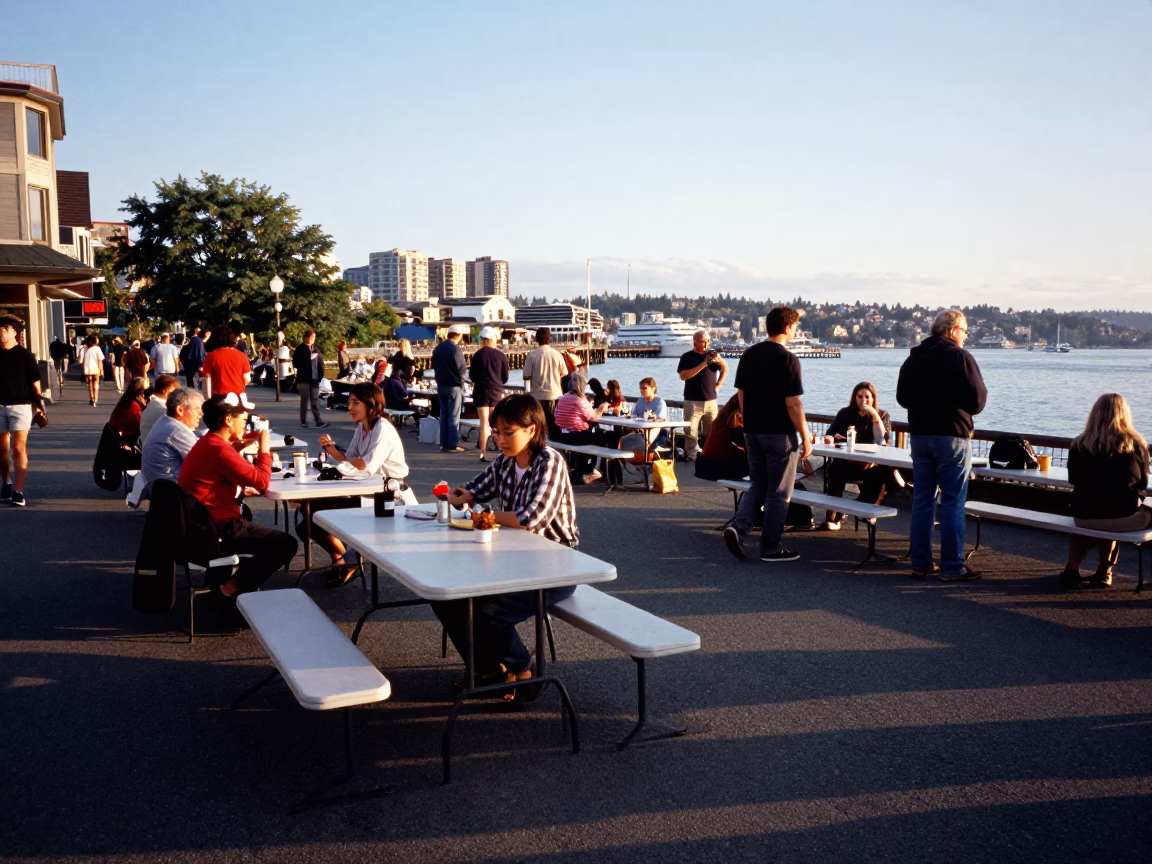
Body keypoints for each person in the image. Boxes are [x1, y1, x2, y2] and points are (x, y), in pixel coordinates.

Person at [437, 395, 578, 697]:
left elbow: (531, 518)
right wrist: (459, 495)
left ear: (532, 429)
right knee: (445, 596)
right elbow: (475, 489)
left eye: (507, 432)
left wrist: (484, 516)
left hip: (555, 567)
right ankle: (488, 668)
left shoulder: (549, 462)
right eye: (496, 431)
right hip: (512, 558)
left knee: (486, 610)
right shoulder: (504, 462)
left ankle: (524, 668)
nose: (499, 439)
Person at [896, 308, 987, 581]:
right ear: (951, 331)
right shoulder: (960, 357)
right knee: (952, 503)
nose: (966, 337)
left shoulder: (913, 359)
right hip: (952, 436)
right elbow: (978, 401)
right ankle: (952, 566)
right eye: (964, 331)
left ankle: (921, 563)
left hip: (921, 436)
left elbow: (902, 398)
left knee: (923, 501)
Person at [178, 393, 298, 598]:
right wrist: (264, 446)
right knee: (285, 543)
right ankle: (232, 588)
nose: (245, 427)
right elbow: (261, 481)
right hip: (213, 530)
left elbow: (222, 474)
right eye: (243, 421)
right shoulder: (218, 449)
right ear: (228, 420)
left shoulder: (209, 442)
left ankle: (234, 580)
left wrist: (237, 448)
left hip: (196, 525)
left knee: (248, 517)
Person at [722, 306, 811, 564]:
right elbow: (792, 403)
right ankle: (770, 548)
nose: (796, 330)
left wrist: (749, 423)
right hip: (780, 434)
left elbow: (741, 395)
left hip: (752, 431)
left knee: (758, 484)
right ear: (787, 328)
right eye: (794, 326)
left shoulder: (749, 355)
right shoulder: (788, 359)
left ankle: (739, 527)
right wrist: (806, 436)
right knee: (779, 492)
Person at [310, 383, 410, 585]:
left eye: (355, 403)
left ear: (371, 405)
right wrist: (332, 450)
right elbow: (350, 461)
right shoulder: (362, 428)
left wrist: (334, 452)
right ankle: (343, 559)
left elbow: (364, 466)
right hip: (366, 489)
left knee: (315, 514)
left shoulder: (383, 428)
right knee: (309, 516)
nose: (350, 407)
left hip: (388, 496)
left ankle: (350, 561)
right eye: (349, 402)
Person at [1061, 394, 1150, 589]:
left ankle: (1072, 567)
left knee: (1095, 513)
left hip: (1082, 516)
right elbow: (1142, 483)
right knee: (1114, 515)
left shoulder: (1079, 444)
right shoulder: (1136, 445)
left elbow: (1073, 479)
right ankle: (1104, 571)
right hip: (1122, 518)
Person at [820, 382, 895, 530]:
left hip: (870, 464)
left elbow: (882, 440)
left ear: (873, 398)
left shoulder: (883, 415)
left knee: (882, 473)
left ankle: (861, 509)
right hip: (847, 462)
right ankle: (832, 517)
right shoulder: (845, 413)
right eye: (860, 396)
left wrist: (873, 414)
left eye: (867, 397)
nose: (863, 400)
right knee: (835, 469)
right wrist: (834, 436)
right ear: (855, 397)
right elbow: (830, 433)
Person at [0, 315, 46, 507]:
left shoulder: (25, 355)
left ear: (15, 333)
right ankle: (6, 483)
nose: (1, 333)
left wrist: (40, 408)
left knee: (18, 448)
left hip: (21, 406)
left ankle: (18, 490)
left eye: (5, 329)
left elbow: (35, 385)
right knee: (1, 450)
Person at [132, 387, 204, 507]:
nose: (200, 414)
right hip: (175, 494)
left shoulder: (167, 421)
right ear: (180, 410)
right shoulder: (176, 430)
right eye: (197, 409)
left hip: (162, 489)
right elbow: (203, 462)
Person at [678, 330, 728, 460]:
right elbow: (683, 376)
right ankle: (693, 458)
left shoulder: (713, 356)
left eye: (708, 341)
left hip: (711, 401)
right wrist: (703, 364)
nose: (706, 344)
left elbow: (725, 369)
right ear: (695, 342)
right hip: (692, 401)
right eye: (703, 341)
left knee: (711, 432)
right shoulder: (687, 357)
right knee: (691, 433)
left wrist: (719, 384)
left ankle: (709, 456)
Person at [554, 371, 608, 482]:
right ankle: (595, 470)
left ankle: (582, 470)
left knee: (590, 439)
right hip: (576, 436)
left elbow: (556, 415)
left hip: (563, 435)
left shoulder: (562, 398)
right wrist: (600, 409)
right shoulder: (580, 400)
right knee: (602, 438)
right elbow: (592, 417)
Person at [468, 326, 509, 461]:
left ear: (481, 339)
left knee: (484, 423)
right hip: (496, 392)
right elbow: (505, 377)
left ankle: (483, 453)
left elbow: (472, 376)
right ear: (493, 339)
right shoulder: (500, 355)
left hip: (481, 392)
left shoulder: (477, 355)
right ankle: (502, 451)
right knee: (496, 424)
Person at [521, 327, 567, 433]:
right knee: (553, 427)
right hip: (555, 396)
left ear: (537, 339)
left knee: (538, 427)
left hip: (537, 397)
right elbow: (564, 373)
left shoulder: (532, 354)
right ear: (549, 338)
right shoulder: (557, 354)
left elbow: (526, 376)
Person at [695, 395, 748, 481]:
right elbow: (748, 442)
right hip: (715, 467)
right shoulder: (734, 420)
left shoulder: (724, 416)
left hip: (703, 465)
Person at [433, 324, 468, 452]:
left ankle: (444, 443)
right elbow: (462, 369)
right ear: (458, 335)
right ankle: (452, 444)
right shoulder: (455, 349)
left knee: (444, 415)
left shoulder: (438, 348)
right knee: (453, 415)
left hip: (441, 385)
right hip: (453, 385)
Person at [618, 377, 670, 454]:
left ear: (653, 389)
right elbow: (634, 415)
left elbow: (661, 419)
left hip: (656, 430)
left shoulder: (660, 402)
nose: (641, 390)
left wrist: (652, 416)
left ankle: (648, 445)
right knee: (620, 433)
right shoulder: (640, 400)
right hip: (641, 428)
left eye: (644, 388)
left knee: (656, 427)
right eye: (640, 388)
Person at [200, 325, 251, 400]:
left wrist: (208, 400)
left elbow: (207, 381)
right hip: (239, 397)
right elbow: (247, 379)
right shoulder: (242, 356)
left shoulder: (210, 356)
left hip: (218, 397)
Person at [292, 329, 329, 429]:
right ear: (307, 338)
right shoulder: (300, 349)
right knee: (304, 400)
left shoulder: (316, 348)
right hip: (304, 378)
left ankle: (318, 421)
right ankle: (303, 420)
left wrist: (321, 374)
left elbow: (320, 362)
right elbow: (295, 363)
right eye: (312, 337)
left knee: (315, 400)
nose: (313, 339)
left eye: (314, 337)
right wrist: (307, 360)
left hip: (314, 378)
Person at [139, 374, 181, 445]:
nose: (177, 395)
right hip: (157, 450)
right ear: (167, 390)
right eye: (175, 391)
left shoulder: (153, 403)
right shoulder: (162, 409)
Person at [108, 377, 149, 447]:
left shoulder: (128, 399)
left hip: (121, 437)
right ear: (142, 393)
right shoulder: (134, 405)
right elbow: (140, 425)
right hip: (126, 440)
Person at [78, 334, 105, 407]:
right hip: (96, 368)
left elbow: (81, 360)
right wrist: (101, 371)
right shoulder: (97, 348)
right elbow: (100, 361)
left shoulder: (85, 348)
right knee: (96, 382)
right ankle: (95, 400)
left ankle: (91, 398)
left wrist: (82, 368)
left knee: (90, 383)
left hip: (88, 368)